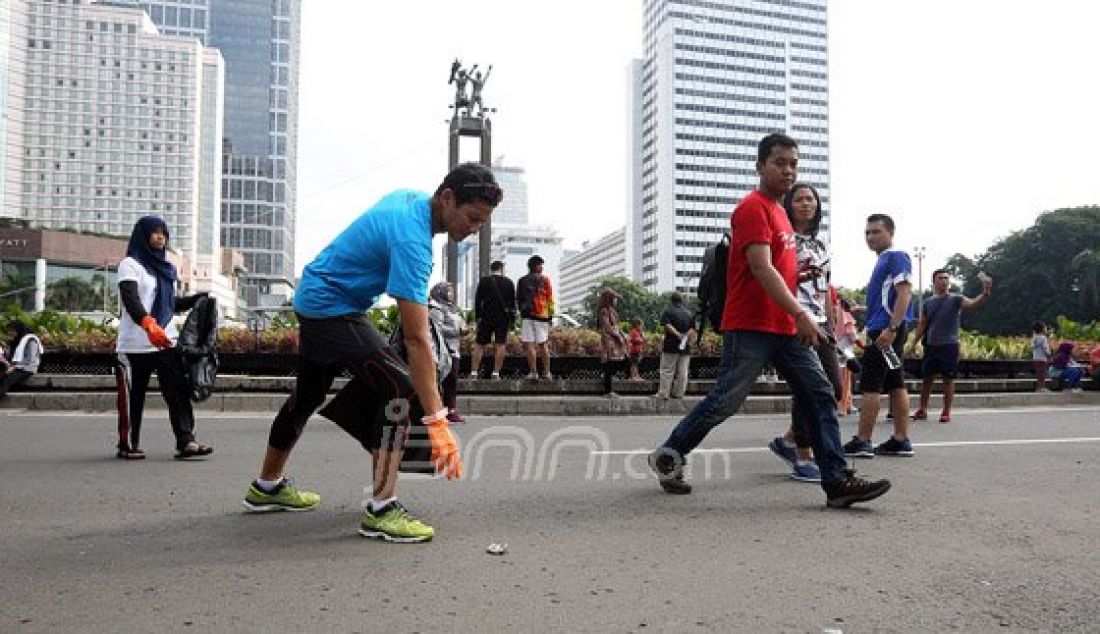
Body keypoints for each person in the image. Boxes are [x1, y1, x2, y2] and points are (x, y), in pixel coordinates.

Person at [242, 163, 500, 543]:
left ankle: (266, 486)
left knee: (309, 394)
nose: (474, 229)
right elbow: (417, 340)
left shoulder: (410, 201)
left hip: (318, 295)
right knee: (401, 389)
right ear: (447, 198)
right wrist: (438, 422)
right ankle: (382, 508)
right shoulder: (412, 241)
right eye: (472, 217)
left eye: (482, 222)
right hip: (332, 306)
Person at [647, 133, 891, 509]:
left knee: (821, 393)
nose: (788, 170)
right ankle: (669, 454)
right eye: (779, 162)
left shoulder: (781, 214)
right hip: (750, 326)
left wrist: (803, 317)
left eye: (793, 164)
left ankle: (837, 481)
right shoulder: (752, 208)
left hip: (786, 328)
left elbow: (791, 273)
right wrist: (801, 313)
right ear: (760, 166)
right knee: (725, 401)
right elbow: (762, 268)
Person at [114, 216, 213, 461]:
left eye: (164, 233)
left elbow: (169, 304)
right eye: (155, 233)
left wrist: (195, 299)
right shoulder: (130, 264)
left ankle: (186, 441)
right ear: (143, 235)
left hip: (165, 341)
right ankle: (128, 444)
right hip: (135, 344)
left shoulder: (166, 268)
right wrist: (147, 323)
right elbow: (131, 299)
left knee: (178, 390)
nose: (160, 237)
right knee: (133, 397)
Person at [766, 182, 843, 483]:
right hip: (795, 319)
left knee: (833, 388)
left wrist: (831, 324)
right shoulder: (784, 238)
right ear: (788, 204)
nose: (806, 204)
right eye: (798, 199)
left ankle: (788, 440)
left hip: (820, 320)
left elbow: (825, 287)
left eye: (810, 199)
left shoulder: (822, 242)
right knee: (809, 388)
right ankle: (802, 456)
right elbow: (778, 279)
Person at [841, 214, 916, 459]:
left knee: (871, 384)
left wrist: (891, 329)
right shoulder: (883, 260)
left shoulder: (896, 256)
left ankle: (863, 440)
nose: (871, 237)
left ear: (891, 232)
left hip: (885, 331)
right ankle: (900, 439)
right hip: (884, 325)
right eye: (867, 233)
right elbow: (889, 298)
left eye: (876, 232)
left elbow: (904, 293)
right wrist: (863, 309)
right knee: (895, 382)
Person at [905, 269, 992, 422]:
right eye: (940, 278)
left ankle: (946, 412)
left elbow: (973, 304)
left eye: (946, 278)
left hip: (949, 345)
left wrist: (985, 293)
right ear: (934, 282)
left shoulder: (956, 299)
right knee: (927, 379)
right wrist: (913, 343)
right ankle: (922, 409)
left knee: (948, 379)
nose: (944, 281)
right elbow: (923, 324)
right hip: (931, 345)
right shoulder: (928, 303)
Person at [469, 260, 515, 379]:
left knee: (479, 344)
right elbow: (512, 304)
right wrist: (512, 321)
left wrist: (478, 317)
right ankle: (496, 373)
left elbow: (478, 300)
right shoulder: (509, 283)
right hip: (502, 318)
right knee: (500, 344)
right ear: (502, 269)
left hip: (486, 316)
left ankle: (473, 373)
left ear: (492, 269)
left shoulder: (484, 281)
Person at [430, 282, 466, 423]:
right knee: (442, 380)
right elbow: (436, 328)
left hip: (454, 349)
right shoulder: (436, 309)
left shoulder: (453, 309)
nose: (451, 294)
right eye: (448, 291)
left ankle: (451, 410)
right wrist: (457, 331)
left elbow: (460, 323)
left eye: (451, 291)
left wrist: (464, 329)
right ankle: (438, 411)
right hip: (443, 350)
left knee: (452, 381)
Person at [516, 254, 554, 379]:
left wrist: (522, 310)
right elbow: (550, 299)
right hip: (542, 315)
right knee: (543, 344)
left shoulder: (522, 280)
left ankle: (533, 372)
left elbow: (518, 299)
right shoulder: (545, 280)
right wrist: (550, 315)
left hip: (527, 316)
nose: (542, 267)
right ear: (535, 266)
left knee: (530, 345)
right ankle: (547, 372)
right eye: (540, 265)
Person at [655, 292, 694, 400]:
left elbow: (667, 325)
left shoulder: (668, 311)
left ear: (671, 300)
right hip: (685, 347)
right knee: (683, 371)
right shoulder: (689, 313)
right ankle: (679, 393)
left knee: (667, 370)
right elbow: (692, 329)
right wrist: (685, 336)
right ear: (682, 301)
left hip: (670, 346)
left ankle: (664, 394)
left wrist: (678, 335)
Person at [597, 289, 628, 395]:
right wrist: (618, 336)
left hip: (614, 340)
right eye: (614, 298)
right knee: (609, 364)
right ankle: (608, 390)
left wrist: (622, 335)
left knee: (614, 363)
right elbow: (607, 327)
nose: (616, 300)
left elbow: (617, 326)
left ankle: (609, 388)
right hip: (609, 340)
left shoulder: (612, 311)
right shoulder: (604, 311)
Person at [0, 320, 43, 399]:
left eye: (11, 330)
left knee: (8, 380)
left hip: (27, 367)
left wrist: (15, 367)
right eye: (9, 331)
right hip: (16, 366)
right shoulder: (17, 340)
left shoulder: (31, 340)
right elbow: (13, 357)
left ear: (18, 329)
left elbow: (30, 359)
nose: (10, 333)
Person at [1031, 321, 1052, 392]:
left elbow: (1032, 346)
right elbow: (1045, 348)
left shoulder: (1034, 338)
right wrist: (1049, 354)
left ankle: (1039, 387)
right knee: (1043, 374)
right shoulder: (1043, 338)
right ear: (1042, 329)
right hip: (1042, 358)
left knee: (1038, 373)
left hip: (1036, 358)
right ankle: (1042, 387)